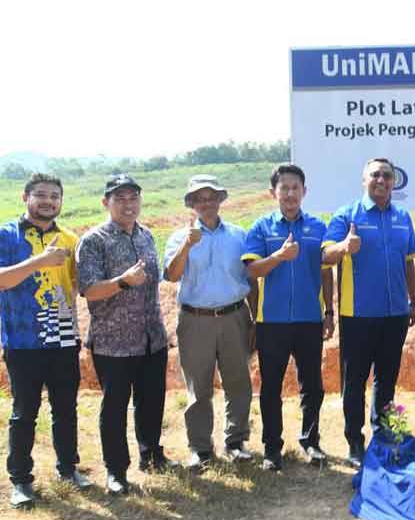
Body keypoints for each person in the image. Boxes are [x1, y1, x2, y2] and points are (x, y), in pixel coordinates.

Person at [77, 174, 176, 495]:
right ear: (106, 202)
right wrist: (122, 281)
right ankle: (116, 471)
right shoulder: (94, 240)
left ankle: (151, 454)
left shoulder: (146, 235)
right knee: (115, 407)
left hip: (151, 338)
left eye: (133, 198)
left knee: (151, 401)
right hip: (113, 342)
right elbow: (89, 289)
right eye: (119, 198)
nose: (128, 204)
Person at [0, 174, 90, 508]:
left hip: (64, 338)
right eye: (41, 195)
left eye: (55, 195)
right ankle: (21, 481)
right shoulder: (6, 235)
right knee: (24, 412)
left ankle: (69, 468)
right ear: (25, 197)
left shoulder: (69, 238)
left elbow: (79, 284)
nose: (48, 201)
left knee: (65, 409)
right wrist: (38, 262)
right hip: (23, 341)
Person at [322, 158, 415, 467]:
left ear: (394, 182)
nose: (381, 180)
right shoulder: (347, 214)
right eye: (375, 175)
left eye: (387, 175)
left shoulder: (403, 216)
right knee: (355, 380)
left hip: (395, 314)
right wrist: (344, 247)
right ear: (364, 180)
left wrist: (412, 303)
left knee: (386, 379)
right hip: (358, 314)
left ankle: (383, 433)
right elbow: (324, 255)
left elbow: (408, 262)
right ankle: (354, 440)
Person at [242, 164, 334, 472]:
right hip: (272, 322)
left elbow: (325, 271)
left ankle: (311, 441)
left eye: (296, 187)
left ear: (304, 192)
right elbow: (251, 271)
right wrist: (279, 257)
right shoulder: (261, 227)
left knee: (313, 385)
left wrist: (329, 312)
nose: (290, 193)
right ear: (274, 193)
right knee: (271, 387)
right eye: (285, 188)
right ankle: (271, 447)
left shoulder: (318, 227)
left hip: (309, 319)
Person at [163, 175, 254, 470]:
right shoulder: (180, 237)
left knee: (238, 382)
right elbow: (172, 275)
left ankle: (236, 441)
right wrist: (187, 246)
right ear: (192, 204)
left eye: (211, 196)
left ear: (220, 200)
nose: (206, 202)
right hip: (195, 319)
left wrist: (254, 321)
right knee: (198, 387)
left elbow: (250, 279)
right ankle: (200, 449)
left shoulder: (239, 235)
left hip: (234, 316)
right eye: (200, 198)